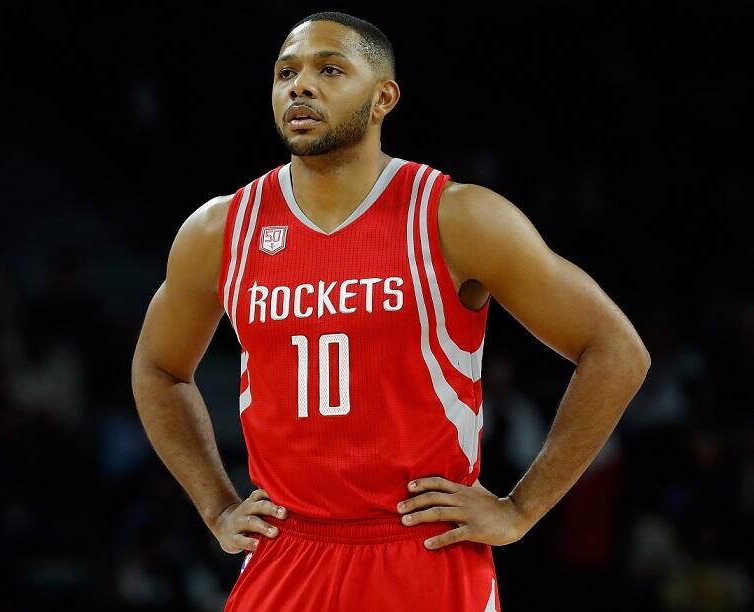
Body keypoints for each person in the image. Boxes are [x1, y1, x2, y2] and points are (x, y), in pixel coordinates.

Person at [131, 11, 650, 611]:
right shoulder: (222, 230)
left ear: (383, 97)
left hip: (423, 551)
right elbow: (159, 368)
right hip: (287, 550)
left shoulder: (458, 217)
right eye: (285, 73)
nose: (300, 86)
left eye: (329, 69)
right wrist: (216, 506)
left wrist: (520, 509)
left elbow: (616, 350)